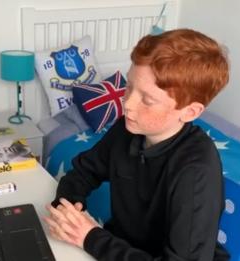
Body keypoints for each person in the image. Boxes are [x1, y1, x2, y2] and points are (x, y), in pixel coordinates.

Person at [44, 29, 230, 260]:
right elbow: (83, 172)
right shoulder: (127, 129)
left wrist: (90, 237)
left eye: (148, 99)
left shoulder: (196, 171)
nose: (128, 104)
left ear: (190, 112)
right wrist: (69, 212)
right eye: (129, 86)